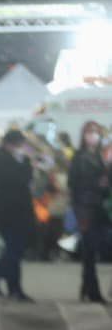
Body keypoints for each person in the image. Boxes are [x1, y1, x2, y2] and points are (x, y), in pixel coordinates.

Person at [0, 128, 36, 302]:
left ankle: (13, 288)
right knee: (14, 250)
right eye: (19, 144)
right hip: (8, 214)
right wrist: (26, 163)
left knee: (14, 251)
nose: (21, 147)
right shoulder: (2, 160)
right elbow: (20, 181)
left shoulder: (10, 159)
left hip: (13, 213)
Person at [68, 121, 107, 303]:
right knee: (89, 251)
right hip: (86, 207)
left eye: (96, 133)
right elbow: (74, 185)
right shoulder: (80, 157)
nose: (93, 136)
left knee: (91, 251)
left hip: (98, 207)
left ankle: (86, 288)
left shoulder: (99, 156)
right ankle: (92, 291)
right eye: (90, 132)